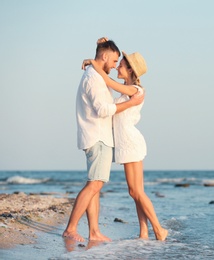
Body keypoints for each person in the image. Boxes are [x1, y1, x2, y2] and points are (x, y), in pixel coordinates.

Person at [82, 43, 168, 241]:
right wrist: (95, 61)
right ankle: (144, 232)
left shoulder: (135, 90)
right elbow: (110, 81)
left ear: (130, 69)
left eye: (120, 64)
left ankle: (158, 229)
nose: (117, 66)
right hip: (127, 142)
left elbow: (108, 81)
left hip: (130, 142)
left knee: (135, 191)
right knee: (136, 192)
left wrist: (93, 63)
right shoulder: (127, 91)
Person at [63, 38, 144, 242]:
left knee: (95, 185)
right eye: (115, 61)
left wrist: (100, 49)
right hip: (97, 136)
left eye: (120, 62)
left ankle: (94, 231)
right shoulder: (94, 78)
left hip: (100, 136)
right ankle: (71, 229)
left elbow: (106, 58)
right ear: (105, 57)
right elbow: (103, 109)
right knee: (94, 184)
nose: (116, 65)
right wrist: (130, 104)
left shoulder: (97, 75)